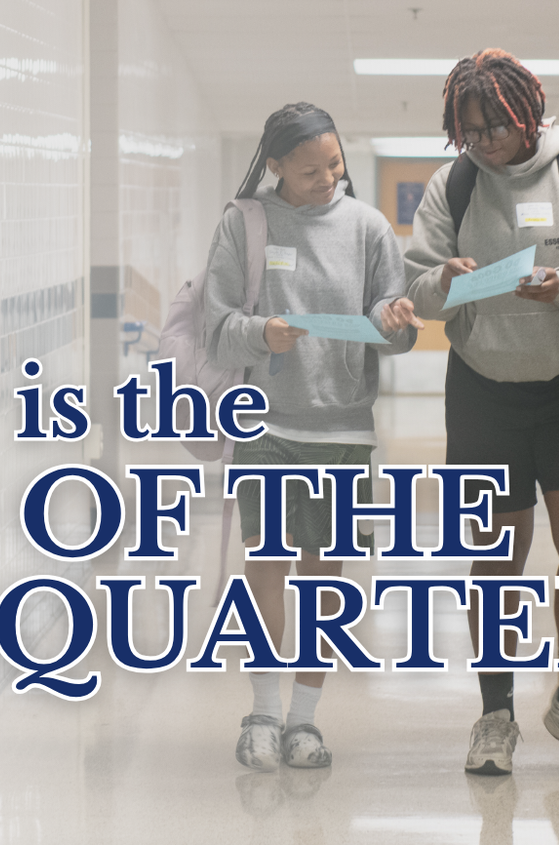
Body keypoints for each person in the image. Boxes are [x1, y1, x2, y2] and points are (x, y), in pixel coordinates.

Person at [404, 49, 559, 776]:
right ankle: (496, 713)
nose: (483, 142)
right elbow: (418, 287)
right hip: (484, 388)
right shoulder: (455, 184)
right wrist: (443, 278)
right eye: (469, 131)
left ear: (525, 114)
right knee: (497, 560)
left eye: (494, 128)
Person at [205, 102, 422, 772]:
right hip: (266, 426)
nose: (327, 178)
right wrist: (260, 332)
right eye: (309, 171)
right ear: (274, 166)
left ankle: (305, 722)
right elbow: (216, 323)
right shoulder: (244, 222)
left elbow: (399, 326)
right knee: (266, 569)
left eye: (334, 164)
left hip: (343, 432)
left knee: (323, 578)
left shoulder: (368, 226)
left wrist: (396, 321)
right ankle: (263, 714)